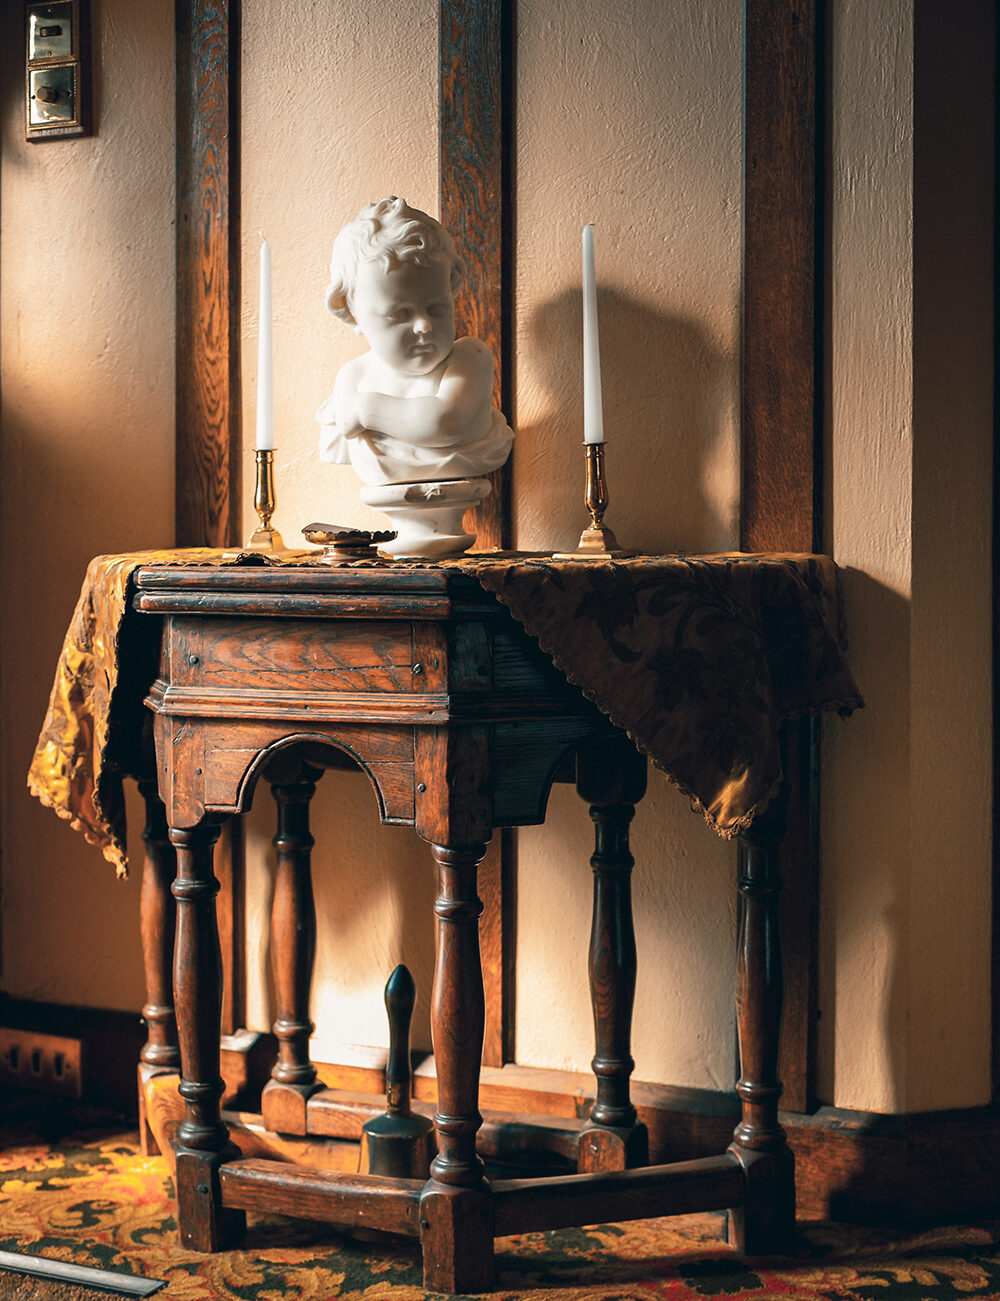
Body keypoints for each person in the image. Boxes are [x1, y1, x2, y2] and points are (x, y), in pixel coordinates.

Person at [317, 196, 513, 487]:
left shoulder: (469, 357)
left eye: (437, 308)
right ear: (353, 312)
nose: (423, 325)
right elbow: (343, 428)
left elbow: (445, 423)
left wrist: (364, 410)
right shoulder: (353, 377)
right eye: (400, 314)